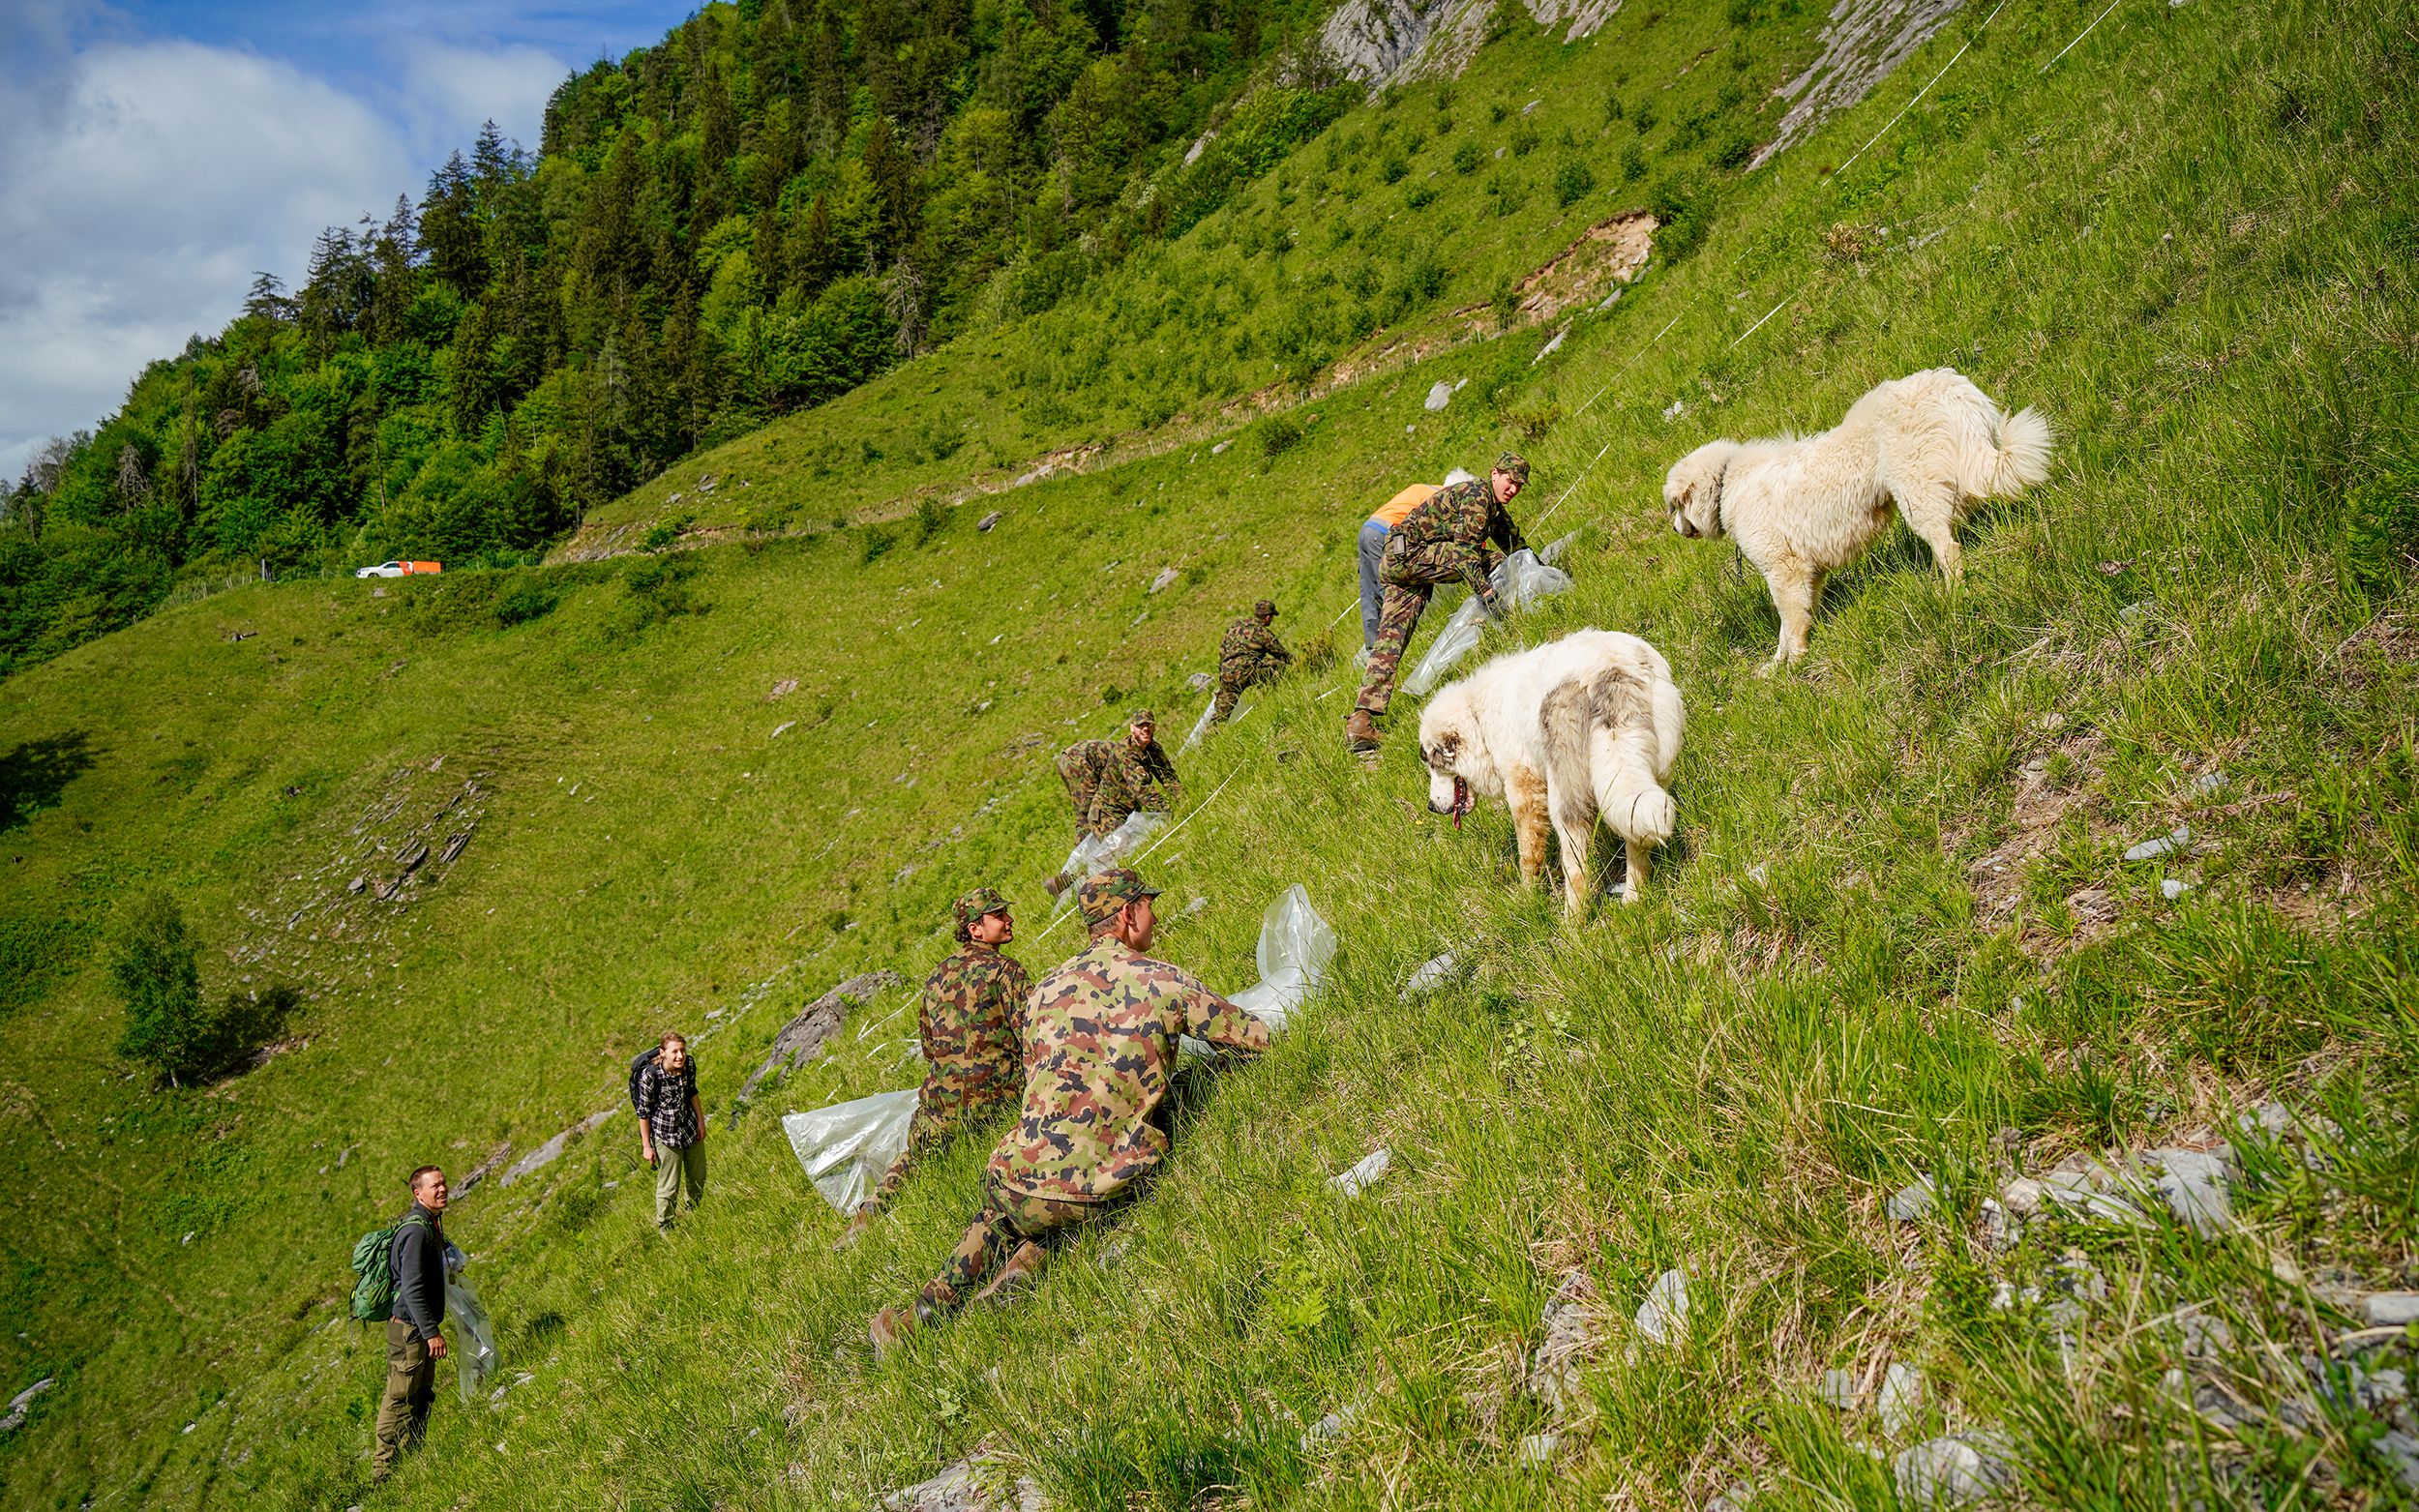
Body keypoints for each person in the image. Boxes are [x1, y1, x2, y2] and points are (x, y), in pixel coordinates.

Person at [868, 869, 1269, 1353]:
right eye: (1148, 906)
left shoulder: (1044, 989)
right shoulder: (1162, 979)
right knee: (1083, 1187)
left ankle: (920, 1314)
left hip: (1016, 1177)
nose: (1155, 916)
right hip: (1100, 1186)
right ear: (1127, 914)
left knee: (1006, 1211)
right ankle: (1020, 1272)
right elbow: (1255, 1038)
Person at [840, 887, 1030, 1243]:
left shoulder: (937, 976)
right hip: (1000, 1091)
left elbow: (929, 1048)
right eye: (999, 915)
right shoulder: (1006, 971)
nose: (1009, 919)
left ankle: (869, 1214)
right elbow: (1032, 1034)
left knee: (914, 1157)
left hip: (941, 1097)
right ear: (975, 929)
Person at [1346, 453, 1531, 753]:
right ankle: (1512, 615)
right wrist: (1491, 600)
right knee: (1490, 562)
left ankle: (1361, 723)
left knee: (1390, 641)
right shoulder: (1479, 496)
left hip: (1398, 559)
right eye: (1510, 481)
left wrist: (1539, 566)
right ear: (1494, 474)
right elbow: (1462, 556)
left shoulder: (1493, 510)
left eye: (1519, 486)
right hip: (1409, 556)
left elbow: (1515, 548)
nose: (1513, 490)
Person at [1046, 714, 1183, 896]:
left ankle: (1070, 876)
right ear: (1132, 728)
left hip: (1078, 763)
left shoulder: (1152, 750)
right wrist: (1168, 811)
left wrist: (1182, 799)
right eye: (1141, 725)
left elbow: (1166, 775)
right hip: (1080, 764)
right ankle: (1075, 880)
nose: (1146, 729)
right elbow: (1140, 788)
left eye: (1149, 725)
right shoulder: (1125, 752)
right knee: (1110, 844)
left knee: (1098, 831)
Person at [372, 1165, 448, 1484]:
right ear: (418, 1193)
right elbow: (412, 1288)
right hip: (410, 1331)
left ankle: (414, 1458)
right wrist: (432, 1333)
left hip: (418, 1328)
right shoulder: (416, 1231)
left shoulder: (430, 1223)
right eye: (435, 1186)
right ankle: (382, 1474)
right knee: (399, 1398)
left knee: (421, 1395)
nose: (443, 1189)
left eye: (444, 1183)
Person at [636, 1032, 705, 1232]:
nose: (680, 1056)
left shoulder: (688, 1065)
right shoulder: (650, 1075)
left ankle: (694, 1212)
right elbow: (644, 1112)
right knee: (669, 1184)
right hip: (665, 1136)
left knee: (698, 1175)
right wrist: (647, 1146)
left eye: (682, 1050)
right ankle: (666, 1224)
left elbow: (692, 1092)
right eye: (674, 1051)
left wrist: (701, 1121)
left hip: (690, 1128)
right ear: (663, 1052)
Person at [1210, 600, 1292, 724]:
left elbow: (1221, 652)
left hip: (1228, 675)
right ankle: (1280, 698)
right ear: (1268, 617)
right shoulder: (1263, 632)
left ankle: (1209, 739)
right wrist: (1300, 661)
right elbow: (1281, 655)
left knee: (1221, 716)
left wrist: (1223, 672)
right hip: (1248, 671)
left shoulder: (1235, 626)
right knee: (1277, 667)